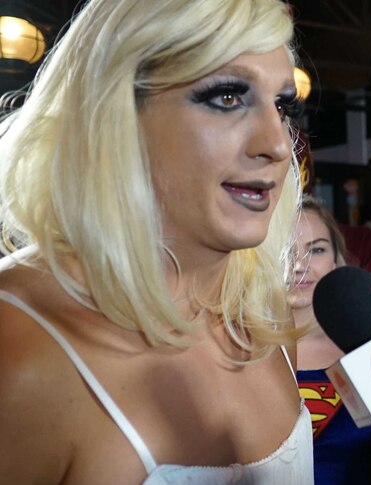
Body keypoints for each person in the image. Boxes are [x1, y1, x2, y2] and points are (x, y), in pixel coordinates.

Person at [0, 0, 313, 483]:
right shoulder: (18, 340)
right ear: (115, 112)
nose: (276, 144)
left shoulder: (259, 311)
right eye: (227, 97)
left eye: (283, 106)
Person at [290, 196, 371, 484]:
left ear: (335, 259)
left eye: (316, 250)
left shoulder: (366, 346)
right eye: (284, 251)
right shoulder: (234, 350)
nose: (300, 266)